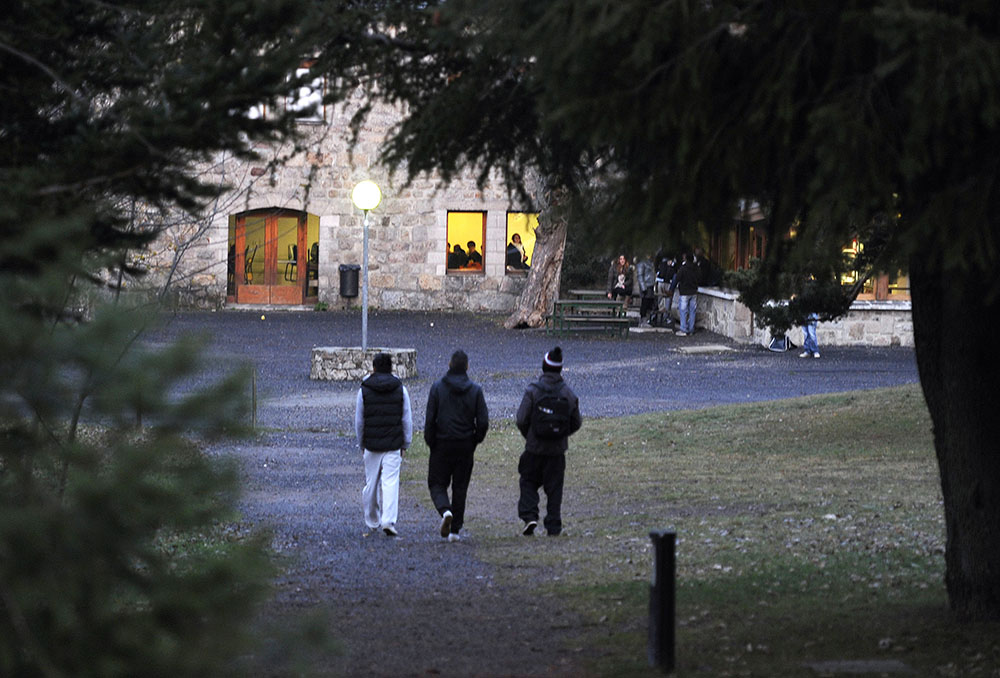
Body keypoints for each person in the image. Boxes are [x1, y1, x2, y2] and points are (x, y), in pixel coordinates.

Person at [515, 347, 582, 537]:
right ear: (560, 369)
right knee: (555, 489)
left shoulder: (533, 391)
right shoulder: (568, 394)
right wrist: (561, 434)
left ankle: (530, 516)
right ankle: (553, 525)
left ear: (544, 366)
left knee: (527, 481)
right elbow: (576, 422)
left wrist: (530, 435)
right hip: (556, 451)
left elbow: (521, 418)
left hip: (534, 448)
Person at [424, 350, 489, 542]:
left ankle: (445, 511)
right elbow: (483, 421)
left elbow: (429, 419)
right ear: (467, 367)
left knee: (436, 483)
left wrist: (431, 441)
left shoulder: (437, 388)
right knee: (460, 487)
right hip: (465, 444)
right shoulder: (475, 390)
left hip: (441, 444)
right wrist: (475, 439)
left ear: (449, 364)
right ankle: (455, 530)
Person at [355, 352, 413, 537]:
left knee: (371, 484)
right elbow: (406, 419)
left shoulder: (364, 390)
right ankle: (388, 520)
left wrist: (361, 442)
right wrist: (406, 442)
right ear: (391, 368)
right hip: (393, 443)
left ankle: (372, 520)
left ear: (373, 368)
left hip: (371, 444)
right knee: (390, 483)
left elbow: (359, 420)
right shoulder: (400, 389)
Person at [673, 252, 699, 336]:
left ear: (686, 259)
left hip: (684, 292)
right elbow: (700, 277)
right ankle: (691, 329)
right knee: (692, 311)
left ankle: (684, 329)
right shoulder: (696, 268)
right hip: (693, 291)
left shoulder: (683, 268)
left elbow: (677, 278)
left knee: (683, 311)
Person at [654, 253, 676, 326]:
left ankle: (665, 316)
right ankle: (658, 315)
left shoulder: (673, 259)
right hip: (661, 279)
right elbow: (656, 262)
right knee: (660, 299)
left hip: (668, 280)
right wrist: (658, 272)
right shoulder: (661, 256)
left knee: (667, 300)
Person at [636, 252, 656, 325]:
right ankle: (643, 319)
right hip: (645, 286)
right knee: (645, 303)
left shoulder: (650, 263)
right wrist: (643, 287)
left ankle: (646, 319)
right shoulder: (642, 263)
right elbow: (640, 276)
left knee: (650, 303)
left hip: (650, 285)